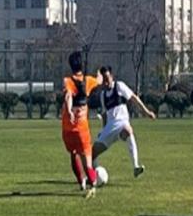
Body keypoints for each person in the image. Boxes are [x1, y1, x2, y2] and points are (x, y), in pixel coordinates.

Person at [92, 66, 156, 178]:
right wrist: (103, 130)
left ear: (112, 76)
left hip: (122, 123)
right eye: (104, 80)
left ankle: (136, 167)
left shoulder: (119, 86)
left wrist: (146, 112)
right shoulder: (102, 95)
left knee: (128, 130)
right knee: (92, 154)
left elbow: (134, 98)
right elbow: (105, 115)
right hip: (110, 127)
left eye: (107, 78)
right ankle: (93, 175)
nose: (106, 82)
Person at [61, 51, 101, 199]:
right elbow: (99, 81)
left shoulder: (67, 81)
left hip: (67, 127)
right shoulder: (88, 80)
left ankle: (81, 182)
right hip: (81, 128)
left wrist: (69, 111)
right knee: (87, 162)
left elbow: (68, 96)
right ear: (81, 65)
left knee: (73, 154)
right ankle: (93, 184)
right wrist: (99, 74)